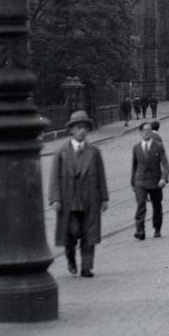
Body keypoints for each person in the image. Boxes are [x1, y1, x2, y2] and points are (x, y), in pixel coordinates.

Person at [48, 111, 108, 276]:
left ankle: (86, 267)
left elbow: (101, 176)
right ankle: (70, 256)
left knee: (90, 233)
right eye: (79, 128)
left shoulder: (94, 152)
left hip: (90, 199)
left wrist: (104, 198)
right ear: (71, 131)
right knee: (72, 232)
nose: (83, 131)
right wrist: (55, 198)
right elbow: (54, 177)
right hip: (69, 200)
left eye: (85, 128)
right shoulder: (61, 152)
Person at [130, 120, 169, 240]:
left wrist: (163, 179)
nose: (146, 133)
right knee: (141, 205)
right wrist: (133, 182)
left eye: (149, 130)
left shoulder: (158, 146)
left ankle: (157, 228)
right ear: (140, 133)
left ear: (152, 132)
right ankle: (140, 230)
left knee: (156, 205)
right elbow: (134, 166)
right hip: (140, 182)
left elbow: (165, 165)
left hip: (155, 182)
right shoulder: (136, 148)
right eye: (144, 130)